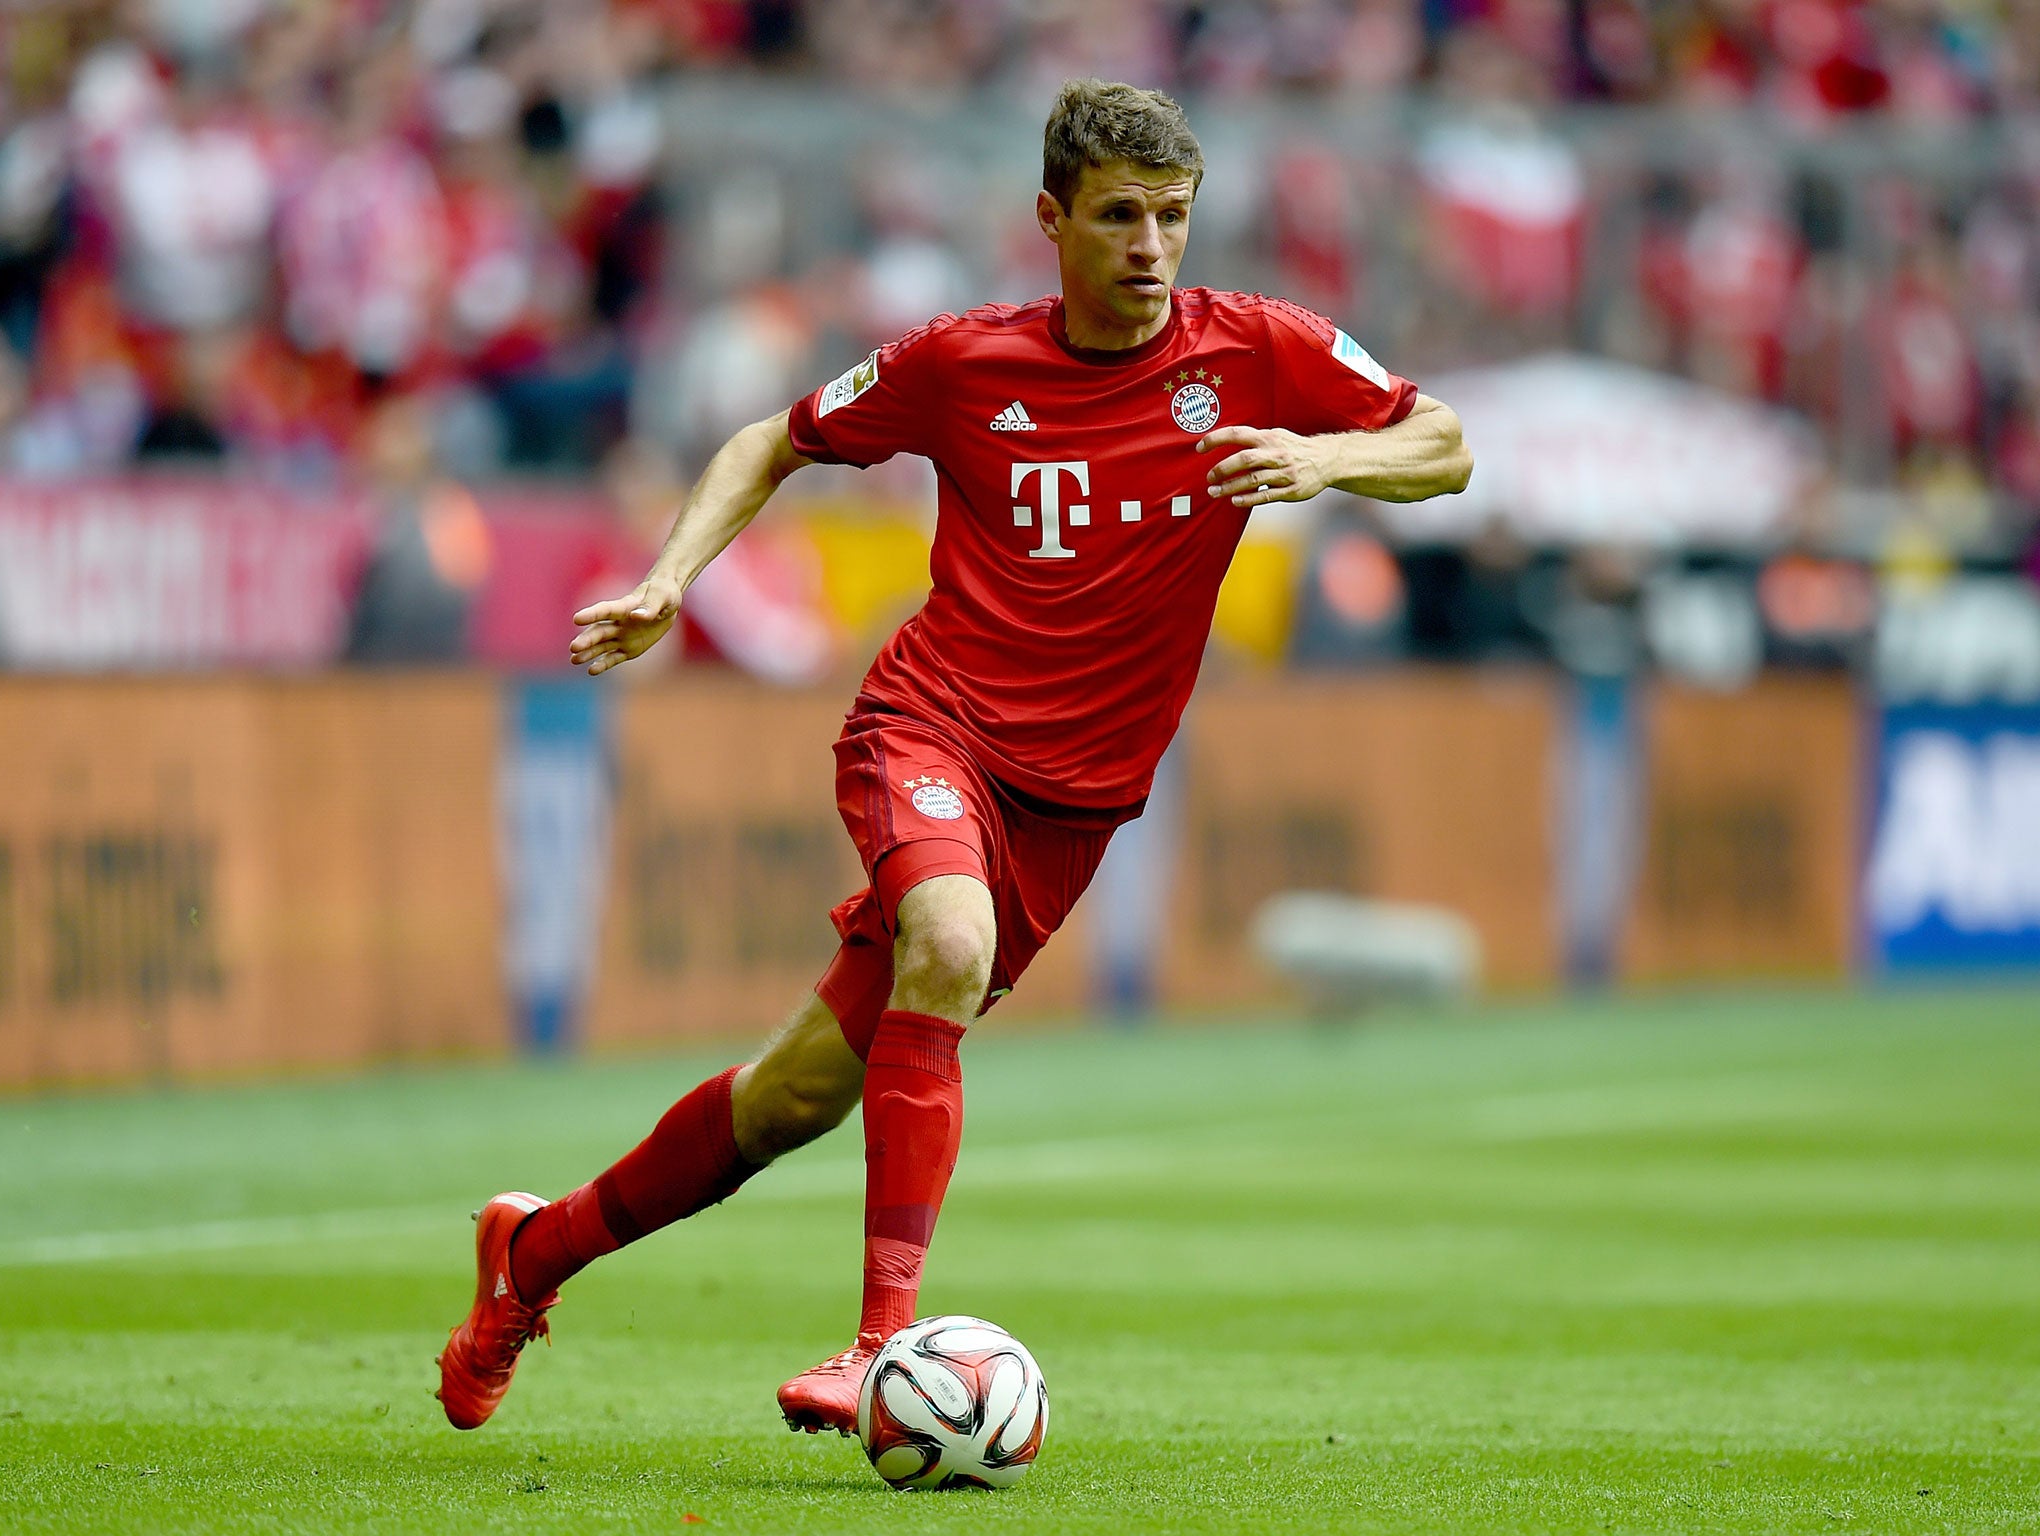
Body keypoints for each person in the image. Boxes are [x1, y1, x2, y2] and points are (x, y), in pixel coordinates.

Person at [435, 77, 1472, 1437]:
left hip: (1075, 807)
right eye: (1118, 217)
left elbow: (1442, 444)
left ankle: (535, 1253)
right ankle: (883, 1346)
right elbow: (772, 440)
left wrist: (1327, 463)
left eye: (1172, 217)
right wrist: (667, 581)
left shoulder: (1258, 353)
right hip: (932, 727)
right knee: (948, 944)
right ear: (1051, 219)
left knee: (795, 1097)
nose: (1151, 246)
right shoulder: (965, 362)